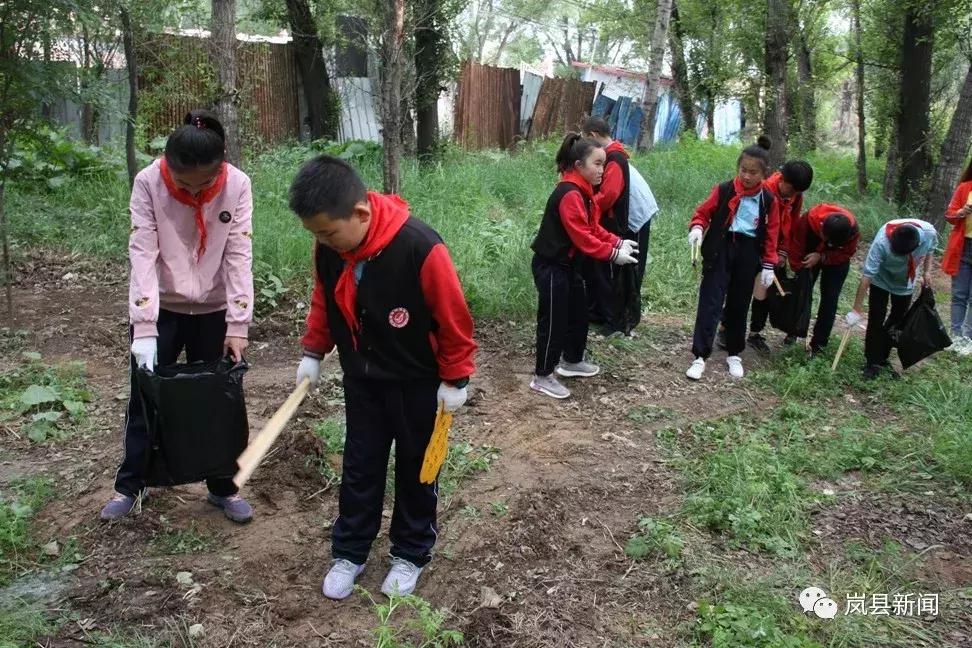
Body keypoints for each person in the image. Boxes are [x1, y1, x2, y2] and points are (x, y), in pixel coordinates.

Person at [290, 155, 477, 600]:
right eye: (316, 234)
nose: (323, 242)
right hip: (363, 379)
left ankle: (410, 553)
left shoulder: (419, 246)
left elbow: (453, 317)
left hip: (415, 381)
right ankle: (350, 551)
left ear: (360, 213)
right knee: (361, 464)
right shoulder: (331, 249)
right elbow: (325, 299)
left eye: (328, 232)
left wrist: (456, 379)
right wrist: (314, 350)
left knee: (417, 467)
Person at [101, 109, 255, 523]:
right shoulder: (149, 183)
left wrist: (238, 325)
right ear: (168, 165)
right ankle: (131, 485)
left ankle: (224, 486)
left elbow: (239, 254)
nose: (193, 191)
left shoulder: (237, 185)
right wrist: (144, 327)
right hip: (162, 310)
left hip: (215, 310)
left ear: (220, 167)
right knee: (145, 398)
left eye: (203, 183)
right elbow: (143, 254)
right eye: (182, 183)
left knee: (220, 401)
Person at [529, 133, 638, 399]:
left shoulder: (584, 192)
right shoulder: (568, 193)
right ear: (579, 166)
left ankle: (572, 360)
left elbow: (593, 227)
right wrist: (613, 254)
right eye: (597, 164)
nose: (603, 170)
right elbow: (582, 237)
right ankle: (542, 376)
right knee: (553, 320)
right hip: (552, 267)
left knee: (578, 313)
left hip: (569, 267)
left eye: (604, 164)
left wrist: (617, 241)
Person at [686, 136, 781, 381]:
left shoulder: (769, 200)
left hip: (748, 252)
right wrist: (697, 228)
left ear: (764, 173)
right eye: (743, 170)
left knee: (740, 303)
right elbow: (703, 212)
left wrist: (770, 264)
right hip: (721, 247)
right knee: (710, 300)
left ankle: (734, 353)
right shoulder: (725, 189)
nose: (747, 176)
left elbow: (772, 233)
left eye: (753, 172)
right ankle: (700, 355)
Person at [844, 219, 939, 379]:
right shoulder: (881, 243)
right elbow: (866, 277)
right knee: (876, 318)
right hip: (881, 280)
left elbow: (930, 250)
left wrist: (927, 272)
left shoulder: (929, 233)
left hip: (904, 282)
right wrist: (856, 310)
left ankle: (882, 358)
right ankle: (871, 362)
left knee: (897, 320)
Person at [581, 117, 650, 335]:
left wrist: (587, 206)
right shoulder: (611, 154)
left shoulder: (615, 157)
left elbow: (609, 194)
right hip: (624, 215)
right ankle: (605, 313)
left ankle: (622, 320)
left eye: (585, 139)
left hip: (635, 217)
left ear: (592, 135)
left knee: (626, 270)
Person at [743, 160, 814, 351]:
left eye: (797, 193)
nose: (793, 196)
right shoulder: (763, 190)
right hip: (754, 247)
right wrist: (767, 251)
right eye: (791, 191)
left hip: (775, 253)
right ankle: (727, 328)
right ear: (782, 179)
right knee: (740, 290)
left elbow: (792, 224)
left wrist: (783, 251)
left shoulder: (795, 197)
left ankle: (755, 333)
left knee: (765, 292)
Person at [788, 203, 860, 356]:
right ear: (822, 228)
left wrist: (822, 256)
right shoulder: (809, 220)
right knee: (801, 293)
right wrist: (798, 268)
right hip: (808, 253)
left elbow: (847, 253)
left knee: (830, 300)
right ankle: (793, 331)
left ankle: (819, 344)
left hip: (836, 262)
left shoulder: (851, 231)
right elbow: (797, 243)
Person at [940, 158, 972, 354]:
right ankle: (956, 336)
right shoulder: (964, 188)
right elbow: (949, 216)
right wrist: (962, 211)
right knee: (959, 295)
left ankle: (968, 340)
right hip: (963, 247)